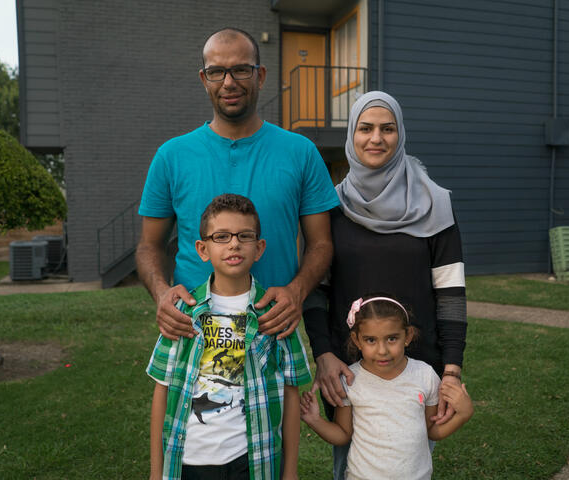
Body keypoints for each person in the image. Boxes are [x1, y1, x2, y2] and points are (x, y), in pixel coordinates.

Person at [137, 27, 339, 342]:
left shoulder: (300, 153)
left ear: (260, 75)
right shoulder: (171, 156)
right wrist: (162, 293)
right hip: (193, 330)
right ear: (204, 79)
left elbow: (321, 244)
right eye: (217, 72)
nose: (229, 82)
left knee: (285, 395)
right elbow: (149, 245)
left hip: (272, 327)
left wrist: (296, 291)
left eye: (241, 70)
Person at [303, 91, 468, 478]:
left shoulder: (436, 204)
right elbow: (315, 291)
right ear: (352, 136)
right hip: (347, 371)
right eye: (365, 128)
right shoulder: (329, 208)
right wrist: (324, 354)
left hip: (417, 365)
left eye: (387, 129)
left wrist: (451, 370)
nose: (376, 138)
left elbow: (451, 296)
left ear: (400, 135)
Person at [148, 194, 312, 480]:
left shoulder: (277, 315)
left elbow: (291, 393)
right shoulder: (183, 312)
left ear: (259, 248)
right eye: (221, 236)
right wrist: (155, 472)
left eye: (244, 236)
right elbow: (162, 390)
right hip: (189, 460)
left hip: (252, 461)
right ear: (203, 249)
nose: (234, 243)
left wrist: (291, 471)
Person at [300, 295, 473, 480]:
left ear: (408, 336)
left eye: (392, 339)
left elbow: (432, 431)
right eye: (371, 340)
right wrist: (314, 420)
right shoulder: (351, 380)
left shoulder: (425, 376)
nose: (382, 350)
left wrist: (464, 413)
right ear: (357, 340)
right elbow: (343, 434)